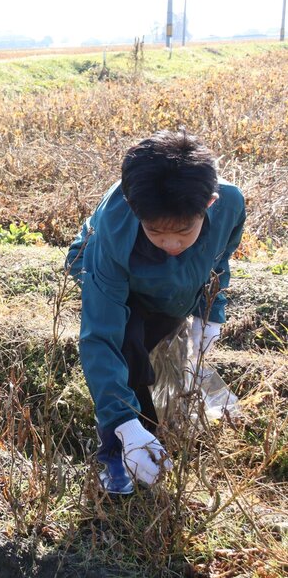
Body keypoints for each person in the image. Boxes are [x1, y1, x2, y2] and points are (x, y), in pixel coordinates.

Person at [65, 129, 245, 494]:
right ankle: (118, 451)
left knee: (160, 353)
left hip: (169, 288)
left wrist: (210, 313)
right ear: (136, 211)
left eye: (183, 231)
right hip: (117, 278)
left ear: (208, 205)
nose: (172, 243)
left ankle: (150, 438)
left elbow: (218, 262)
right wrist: (125, 424)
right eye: (157, 232)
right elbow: (100, 336)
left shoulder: (228, 206)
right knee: (129, 350)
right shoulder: (115, 229)